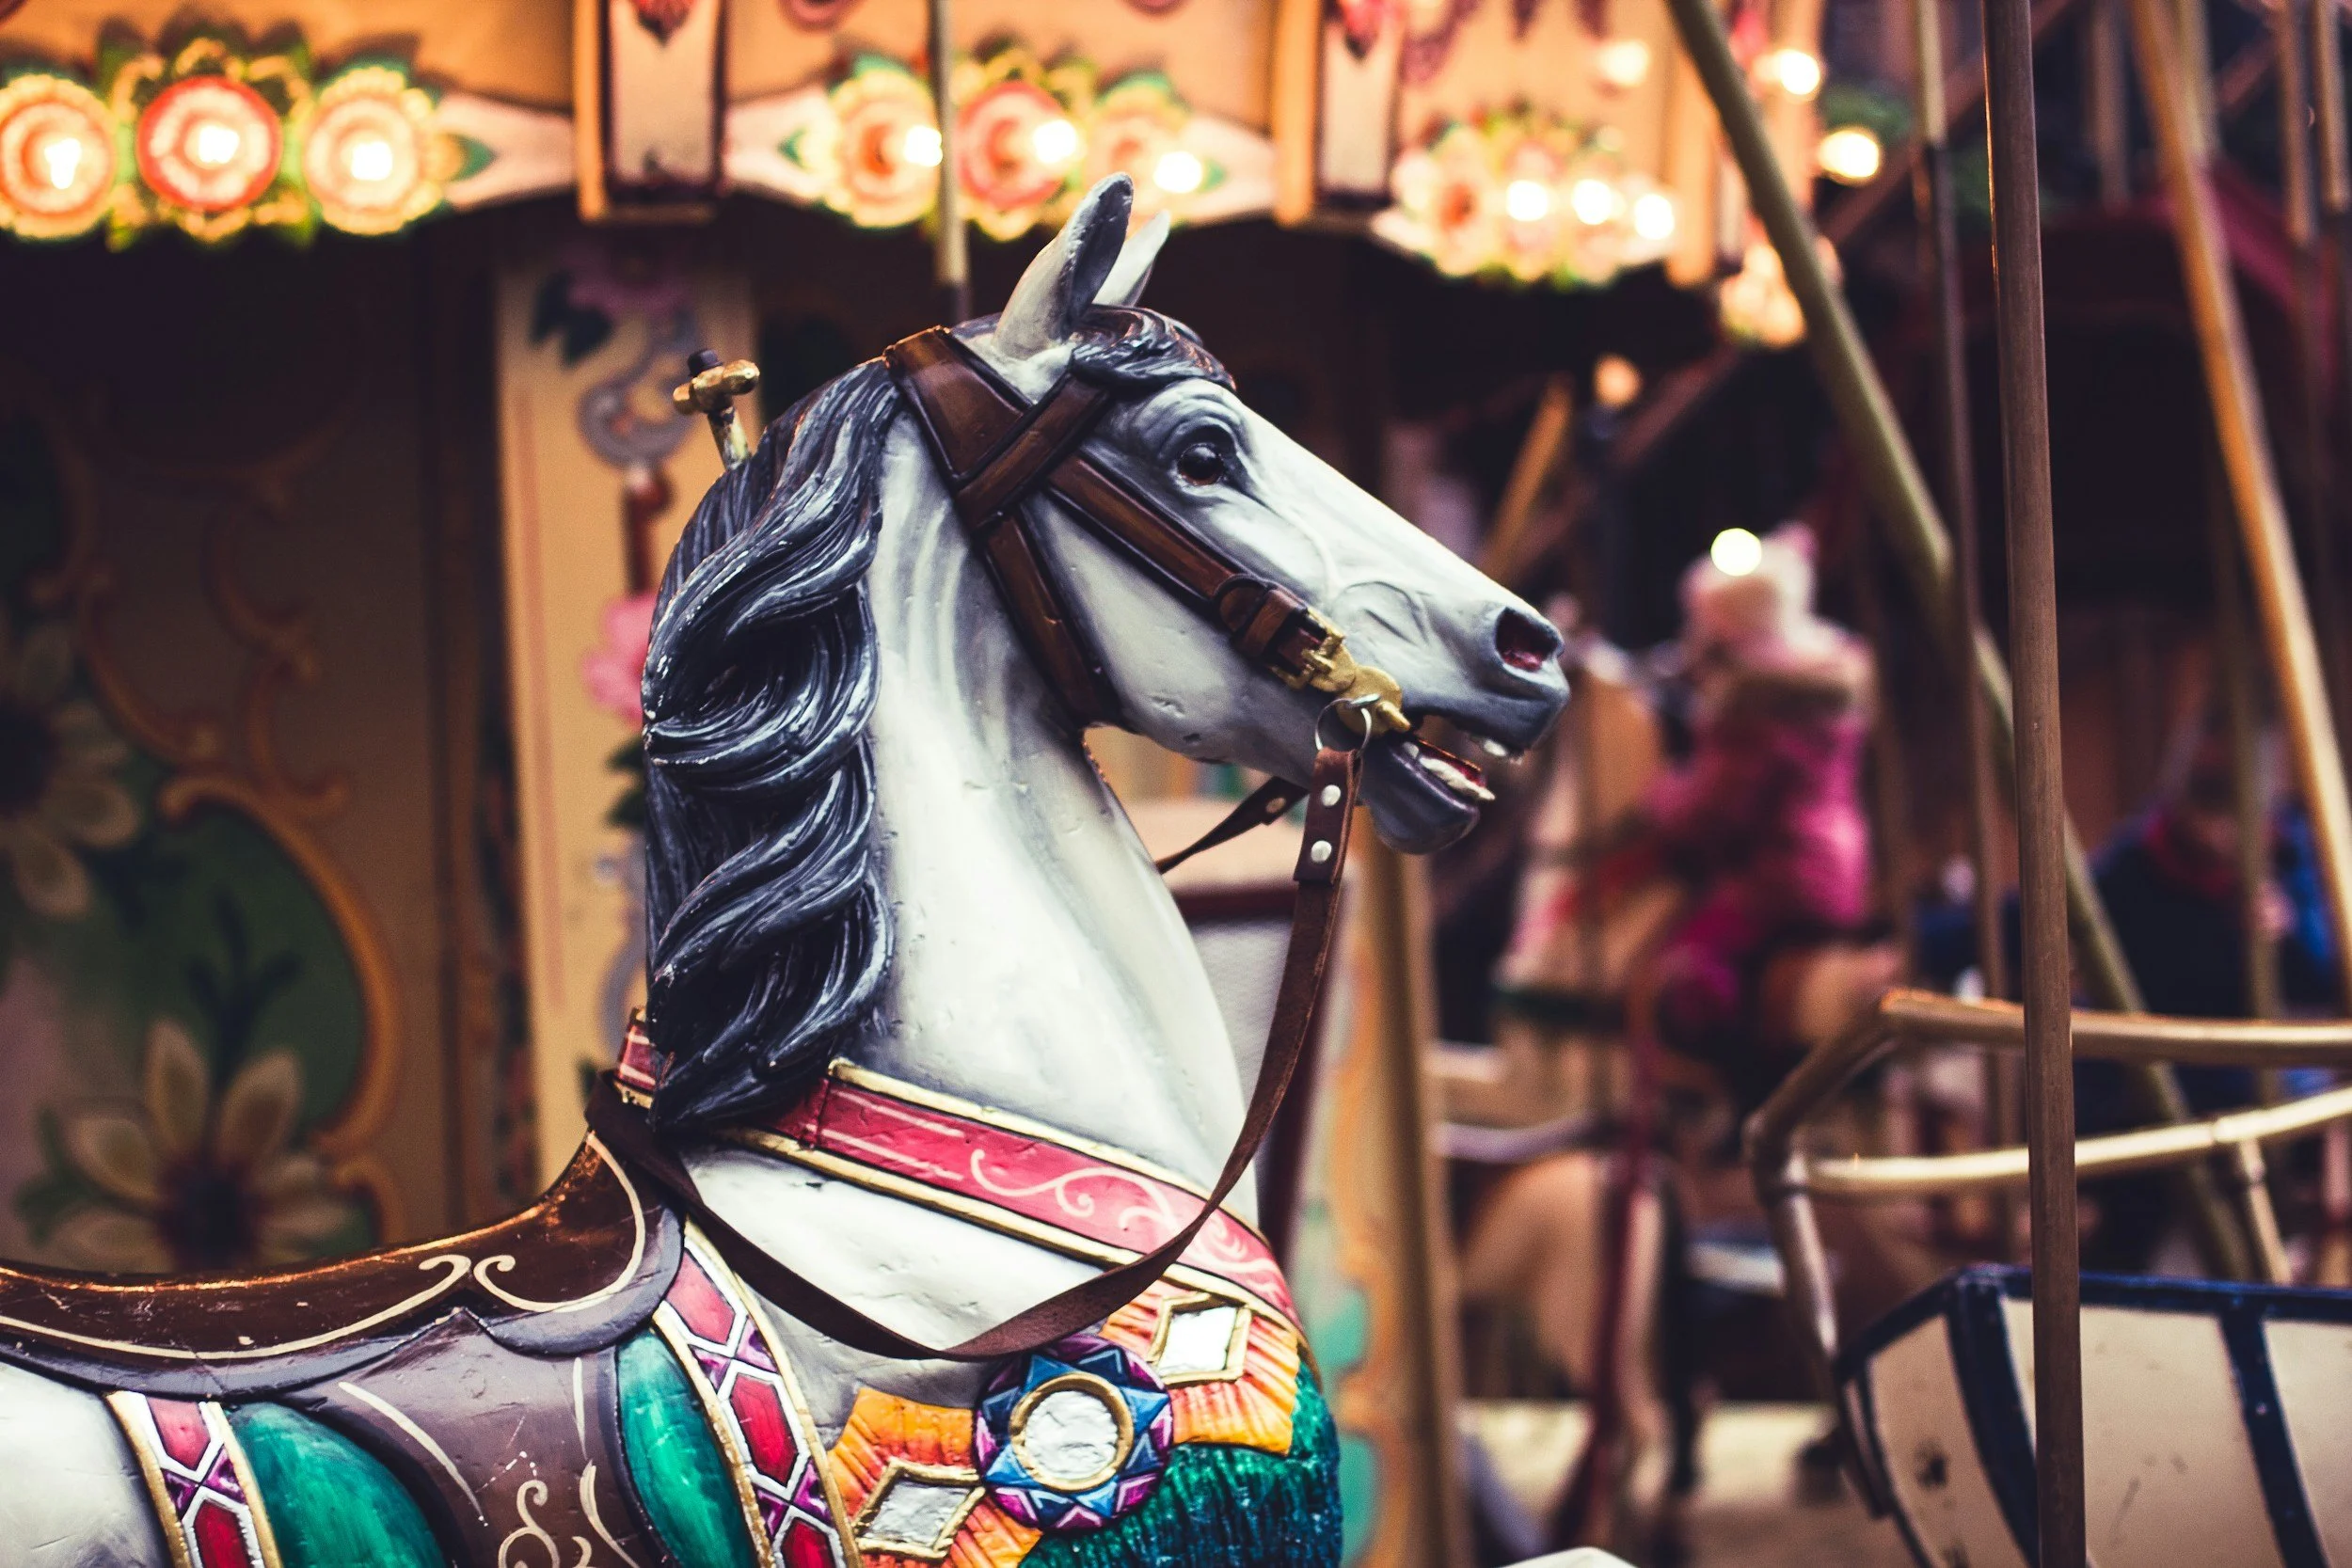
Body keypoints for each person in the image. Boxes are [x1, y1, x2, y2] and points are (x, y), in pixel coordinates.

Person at [1634, 524, 1876, 1106]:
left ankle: (1727, 1093)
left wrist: (1660, 803)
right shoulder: (1820, 695)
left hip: (1780, 876)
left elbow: (1715, 813)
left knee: (1690, 960)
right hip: (1839, 871)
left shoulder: (1752, 708)